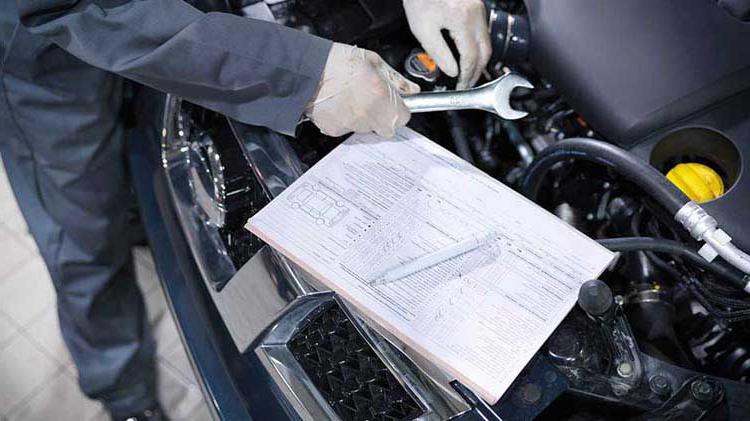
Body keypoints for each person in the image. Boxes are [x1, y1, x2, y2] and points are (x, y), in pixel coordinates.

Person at [0, 0, 490, 419]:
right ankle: (122, 388)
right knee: (82, 233)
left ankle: (140, 217)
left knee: (134, 163)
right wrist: (303, 74)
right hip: (51, 58)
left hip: (185, 18)